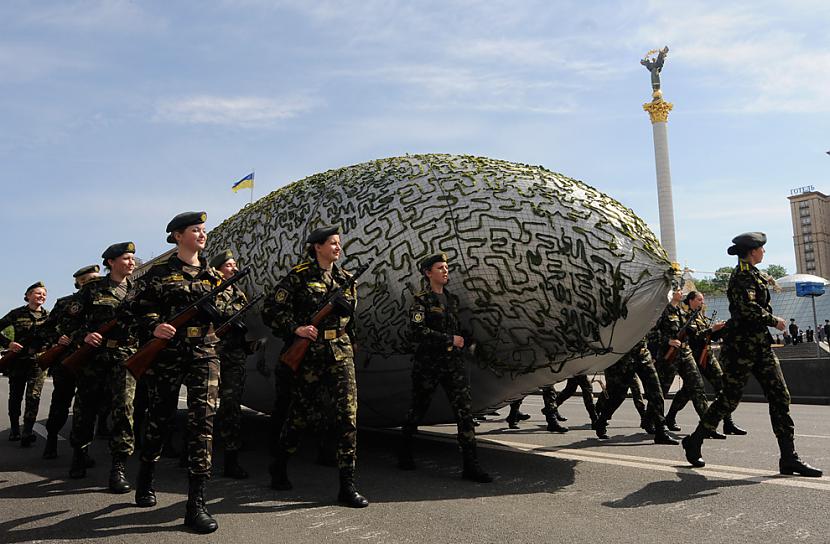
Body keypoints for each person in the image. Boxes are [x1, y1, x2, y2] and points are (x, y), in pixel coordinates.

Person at [682, 232, 822, 477]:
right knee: (729, 399)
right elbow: (748, 309)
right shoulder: (741, 277)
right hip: (740, 349)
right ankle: (695, 440)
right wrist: (773, 320)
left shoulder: (755, 274)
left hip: (760, 347)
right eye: (762, 248)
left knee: (780, 396)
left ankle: (789, 457)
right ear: (752, 251)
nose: (764, 252)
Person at [129, 211, 232, 533]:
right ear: (176, 235)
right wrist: (154, 326)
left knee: (203, 421)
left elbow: (231, 305)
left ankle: (196, 503)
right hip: (169, 354)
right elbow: (132, 308)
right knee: (159, 418)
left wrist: (220, 309)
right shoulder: (159, 273)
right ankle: (146, 475)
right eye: (194, 229)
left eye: (203, 230)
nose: (202, 234)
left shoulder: (214, 276)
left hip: (205, 352)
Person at [265, 225, 369, 507]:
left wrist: (353, 342)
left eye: (339, 243)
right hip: (309, 353)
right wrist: (295, 329)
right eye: (332, 243)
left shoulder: (347, 279)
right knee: (300, 415)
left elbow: (352, 320)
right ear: (317, 247)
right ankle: (280, 464)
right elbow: (271, 310)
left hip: (340, 352)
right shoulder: (298, 277)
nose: (338, 247)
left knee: (348, 417)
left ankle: (347, 485)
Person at [398, 252, 492, 483]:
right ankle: (404, 452)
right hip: (428, 364)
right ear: (428, 273)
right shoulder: (420, 301)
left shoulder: (452, 300)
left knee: (464, 412)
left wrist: (469, 341)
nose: (445, 271)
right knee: (418, 409)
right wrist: (450, 339)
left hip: (452, 364)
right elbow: (416, 332)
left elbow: (457, 329)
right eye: (440, 268)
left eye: (446, 267)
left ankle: (471, 465)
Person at [66, 242, 139, 495]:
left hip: (124, 355)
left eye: (133, 258)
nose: (132, 262)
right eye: (126, 258)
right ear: (111, 262)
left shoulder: (137, 291)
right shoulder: (92, 289)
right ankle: (79, 454)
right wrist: (83, 337)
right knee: (86, 406)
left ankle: (118, 468)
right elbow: (68, 321)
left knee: (124, 409)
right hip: (94, 357)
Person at [37, 265, 100, 459]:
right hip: (66, 361)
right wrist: (58, 338)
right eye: (90, 280)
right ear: (79, 283)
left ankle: (81, 452)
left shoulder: (104, 302)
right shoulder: (65, 303)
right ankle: (52, 439)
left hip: (91, 362)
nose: (95, 283)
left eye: (97, 279)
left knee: (87, 408)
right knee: (60, 403)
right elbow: (46, 328)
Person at [210, 248, 262, 479]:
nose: (235, 268)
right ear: (219, 269)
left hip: (234, 355)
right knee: (205, 405)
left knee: (231, 404)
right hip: (212, 353)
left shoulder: (239, 295)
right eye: (230, 265)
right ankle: (195, 452)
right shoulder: (210, 291)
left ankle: (231, 456)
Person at [667, 291, 746, 435]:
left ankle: (728, 423)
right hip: (694, 357)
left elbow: (709, 336)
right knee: (688, 391)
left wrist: (719, 330)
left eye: (702, 300)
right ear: (690, 300)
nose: (702, 302)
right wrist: (711, 329)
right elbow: (695, 337)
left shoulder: (700, 315)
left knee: (722, 386)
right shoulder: (685, 316)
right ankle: (670, 417)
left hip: (707, 356)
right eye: (699, 299)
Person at [656, 287, 717, 438]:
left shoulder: (683, 313)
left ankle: (707, 426)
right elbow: (652, 332)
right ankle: (651, 420)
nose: (680, 292)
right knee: (660, 391)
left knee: (697, 387)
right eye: (677, 289)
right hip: (669, 356)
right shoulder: (662, 311)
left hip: (685, 354)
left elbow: (695, 334)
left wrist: (711, 331)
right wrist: (668, 341)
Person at [593, 336, 678, 445]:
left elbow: (653, 333)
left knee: (656, 391)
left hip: (643, 354)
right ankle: (602, 420)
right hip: (624, 356)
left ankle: (661, 431)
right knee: (618, 395)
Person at [0, 282, 50, 446]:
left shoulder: (49, 316)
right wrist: (8, 344)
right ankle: (15, 429)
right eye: (37, 293)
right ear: (28, 295)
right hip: (18, 362)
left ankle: (27, 431)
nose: (41, 296)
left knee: (33, 396)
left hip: (38, 362)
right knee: (15, 396)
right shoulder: (16, 314)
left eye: (44, 294)